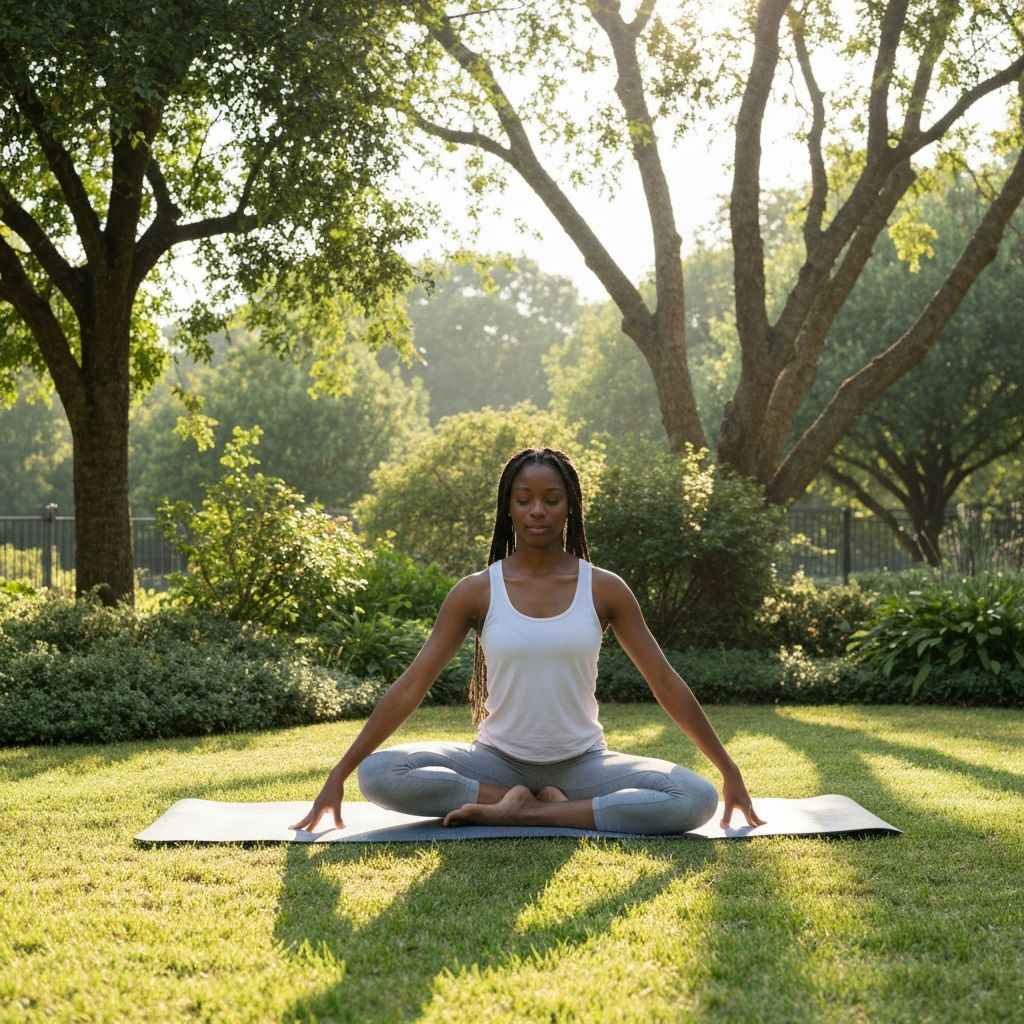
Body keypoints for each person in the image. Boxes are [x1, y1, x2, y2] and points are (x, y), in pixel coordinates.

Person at [292, 447, 764, 836]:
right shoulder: (476, 590)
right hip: (495, 764)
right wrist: (340, 771)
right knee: (378, 775)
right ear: (509, 507)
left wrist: (728, 769)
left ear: (570, 505)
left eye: (551, 499)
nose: (537, 510)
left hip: (583, 765)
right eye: (524, 499)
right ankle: (518, 802)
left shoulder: (604, 588)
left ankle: (532, 811)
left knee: (694, 798)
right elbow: (412, 686)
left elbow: (664, 682)